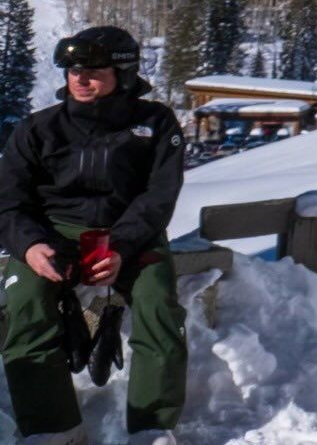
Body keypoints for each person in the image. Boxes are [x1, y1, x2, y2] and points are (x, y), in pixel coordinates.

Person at [0, 26, 187, 445]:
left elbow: (159, 196)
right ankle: (54, 427)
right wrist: (30, 247)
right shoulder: (37, 129)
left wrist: (120, 246)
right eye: (72, 70)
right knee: (26, 302)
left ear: (122, 72)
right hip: (53, 233)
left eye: (92, 70)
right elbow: (8, 202)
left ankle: (152, 427)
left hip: (132, 232)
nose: (79, 78)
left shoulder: (155, 124)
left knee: (159, 305)